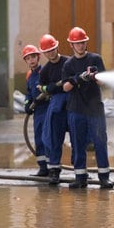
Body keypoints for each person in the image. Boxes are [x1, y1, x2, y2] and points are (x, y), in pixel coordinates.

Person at [61, 26, 113, 189]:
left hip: (95, 109)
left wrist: (94, 77)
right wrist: (79, 78)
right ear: (71, 45)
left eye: (83, 42)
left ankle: (104, 177)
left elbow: (103, 82)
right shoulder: (68, 65)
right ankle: (80, 177)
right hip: (76, 110)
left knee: (100, 142)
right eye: (77, 43)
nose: (81, 46)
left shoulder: (95, 59)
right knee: (77, 143)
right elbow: (65, 87)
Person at [37, 34, 69, 185]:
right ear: (44, 53)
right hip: (56, 106)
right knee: (53, 138)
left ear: (57, 47)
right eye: (47, 51)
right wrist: (46, 88)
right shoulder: (45, 70)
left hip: (72, 103)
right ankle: (54, 171)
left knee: (78, 138)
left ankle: (81, 171)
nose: (50, 53)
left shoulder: (68, 62)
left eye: (52, 49)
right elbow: (40, 86)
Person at [23, 44, 49, 176]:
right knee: (38, 138)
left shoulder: (44, 71)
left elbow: (50, 89)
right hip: (37, 112)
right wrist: (27, 103)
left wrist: (43, 97)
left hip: (47, 109)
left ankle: (52, 167)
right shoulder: (29, 75)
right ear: (26, 61)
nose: (31, 60)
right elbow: (28, 92)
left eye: (33, 57)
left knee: (47, 138)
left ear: (38, 57)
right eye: (28, 58)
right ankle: (43, 168)